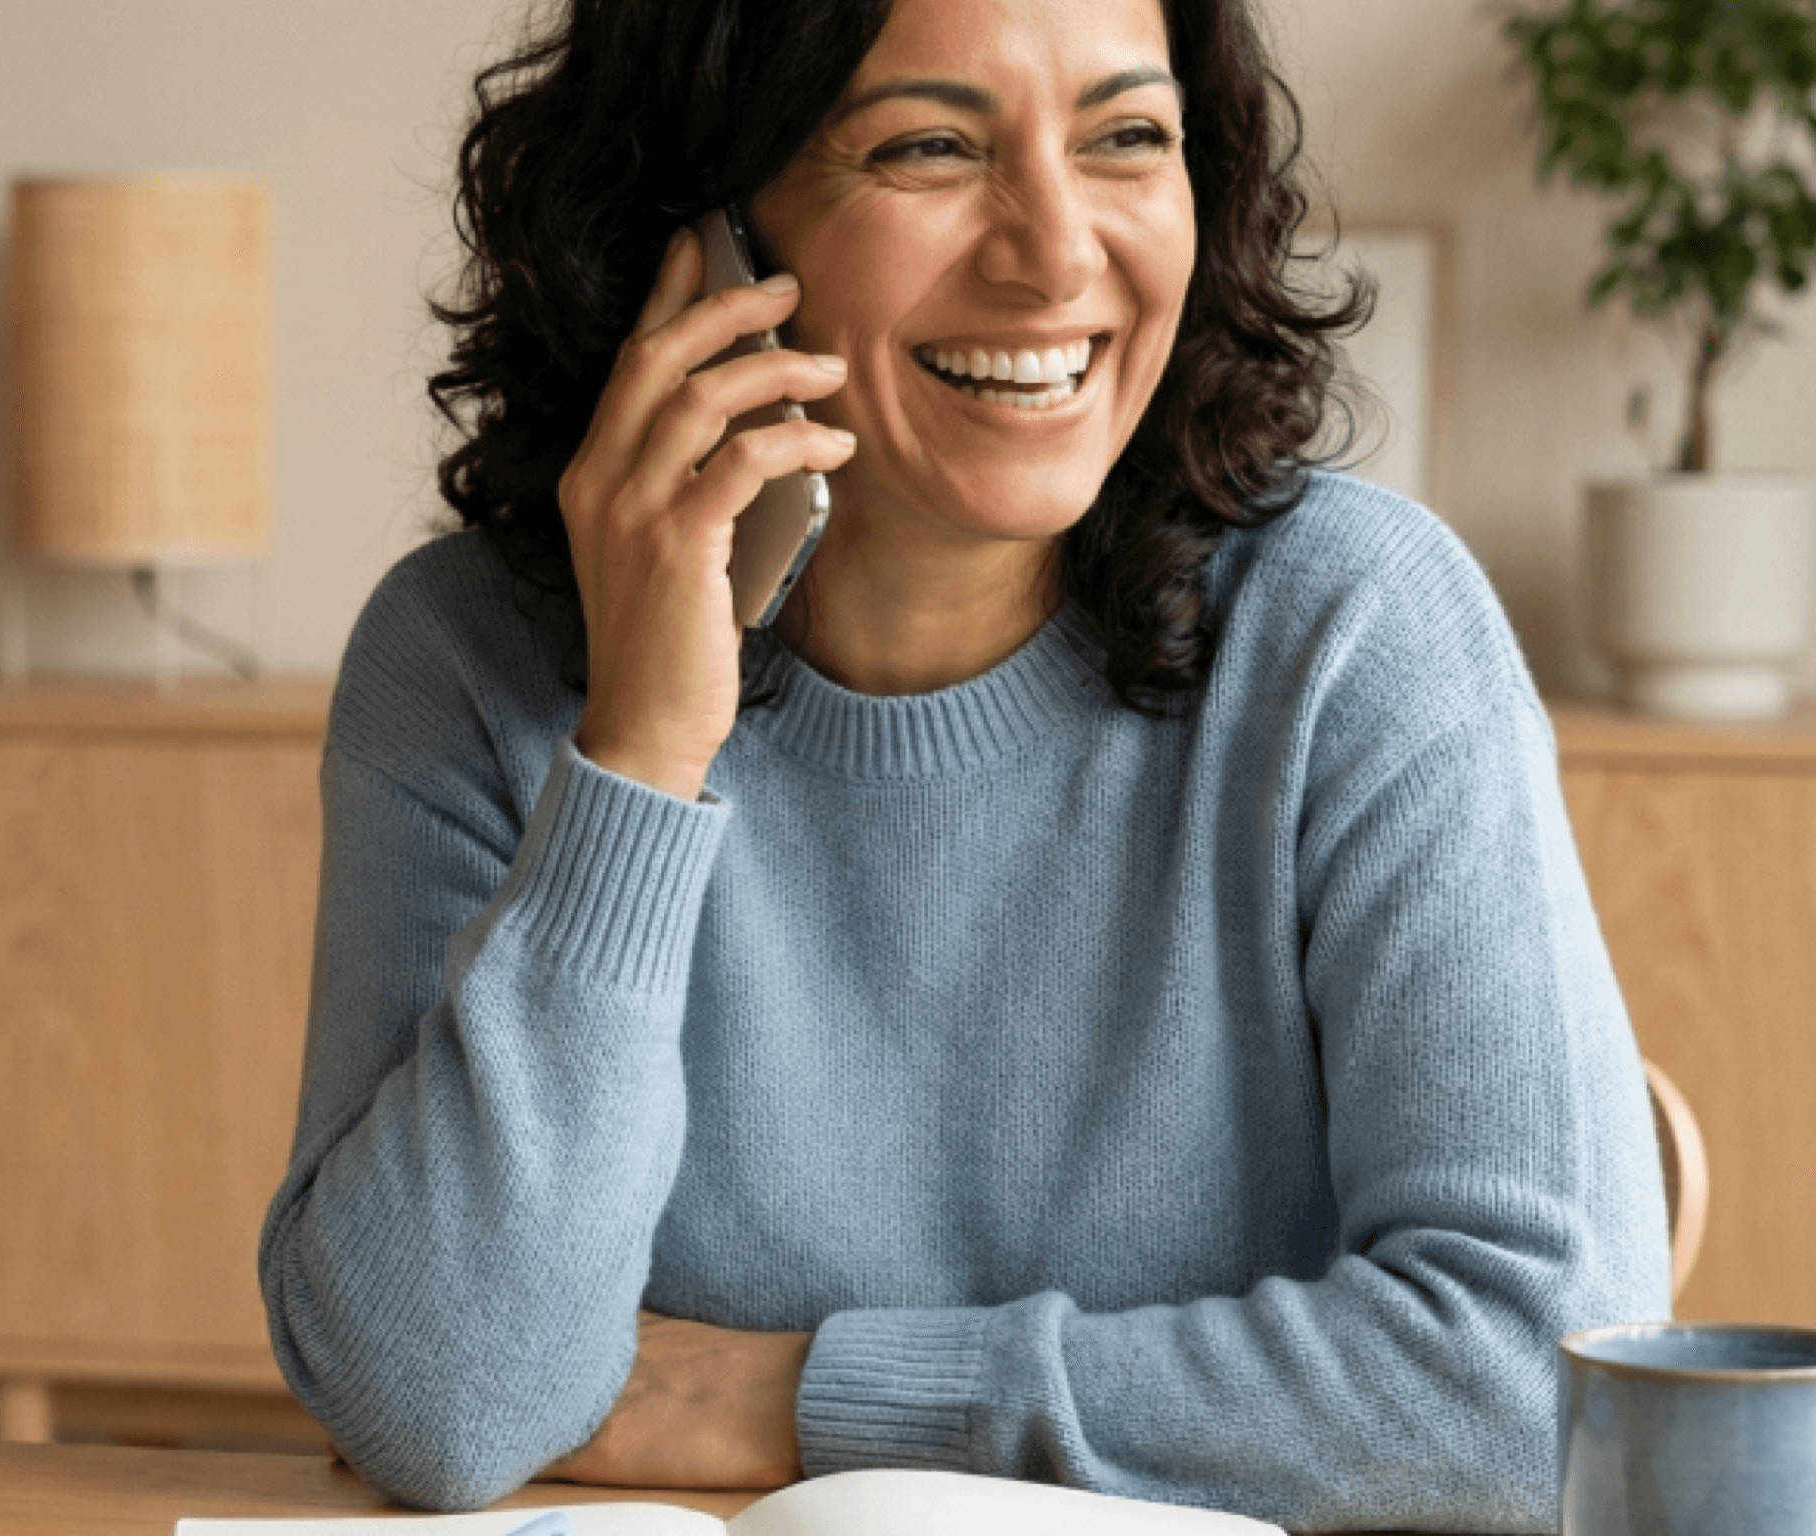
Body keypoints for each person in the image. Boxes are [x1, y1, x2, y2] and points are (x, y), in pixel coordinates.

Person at [258, 0, 1670, 1527]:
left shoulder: (1358, 630)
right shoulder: (467, 658)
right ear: (698, 235)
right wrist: (644, 756)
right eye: (930, 148)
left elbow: (1546, 1385)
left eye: (1127, 137)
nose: (1057, 255)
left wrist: (797, 1396)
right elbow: (439, 1403)